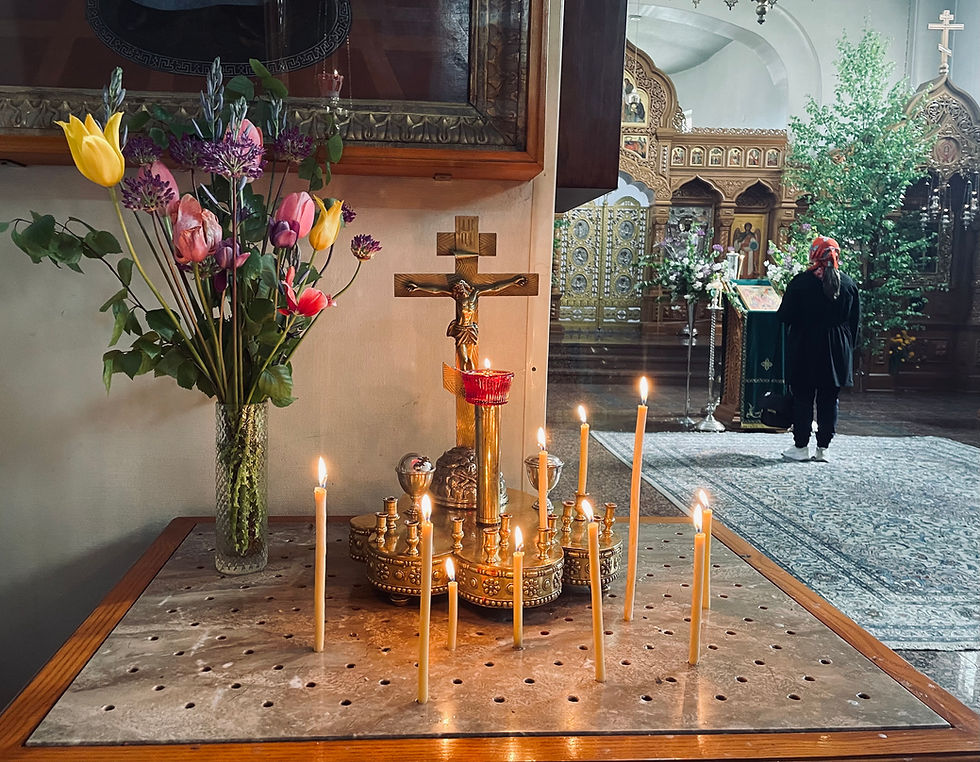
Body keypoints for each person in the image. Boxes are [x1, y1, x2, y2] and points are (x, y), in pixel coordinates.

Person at [776, 236, 860, 462]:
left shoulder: (801, 282)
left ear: (814, 254)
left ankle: (801, 447)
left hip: (806, 345)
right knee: (829, 399)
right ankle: (824, 449)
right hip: (838, 349)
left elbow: (784, 316)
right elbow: (854, 323)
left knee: (803, 397)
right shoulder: (849, 284)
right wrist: (848, 351)